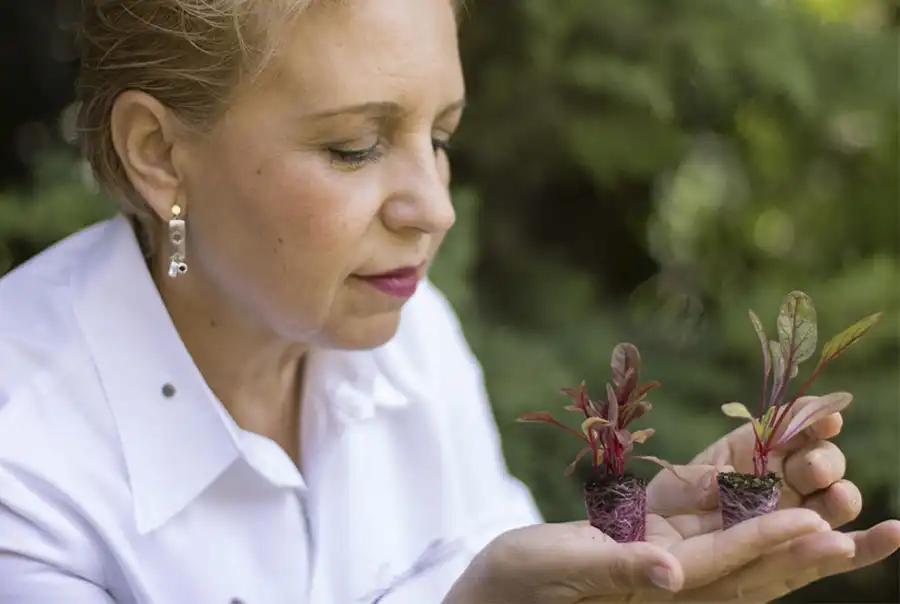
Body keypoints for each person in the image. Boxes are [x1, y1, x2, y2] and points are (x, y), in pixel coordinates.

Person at [0, 0, 897, 602]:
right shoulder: (25, 462)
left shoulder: (411, 338)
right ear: (159, 154)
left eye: (441, 136)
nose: (435, 207)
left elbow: (500, 565)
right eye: (355, 147)